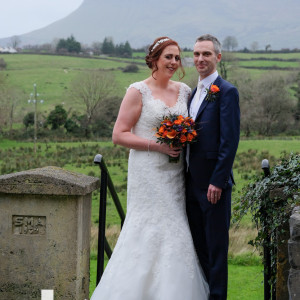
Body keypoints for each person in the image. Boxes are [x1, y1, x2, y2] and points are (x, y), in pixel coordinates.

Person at [91, 37, 209, 300]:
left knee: (175, 227)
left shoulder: (185, 91)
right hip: (147, 171)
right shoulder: (137, 90)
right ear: (154, 59)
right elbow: (119, 135)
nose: (174, 62)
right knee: (144, 228)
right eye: (168, 57)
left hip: (174, 173)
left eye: (177, 58)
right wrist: (157, 146)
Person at [186, 34, 240, 300]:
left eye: (206, 54)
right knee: (200, 248)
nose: (200, 59)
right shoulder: (193, 93)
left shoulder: (227, 92)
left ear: (218, 57)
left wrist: (217, 181)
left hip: (213, 187)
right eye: (196, 54)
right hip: (191, 184)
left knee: (217, 249)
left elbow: (229, 141)